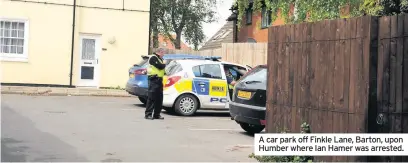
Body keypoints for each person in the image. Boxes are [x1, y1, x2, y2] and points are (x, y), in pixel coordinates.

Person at [145, 48, 166, 120]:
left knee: (159, 98)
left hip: (159, 80)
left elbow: (162, 69)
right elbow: (160, 66)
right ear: (159, 52)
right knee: (152, 98)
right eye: (163, 52)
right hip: (153, 79)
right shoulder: (153, 58)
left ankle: (157, 114)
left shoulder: (160, 59)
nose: (164, 54)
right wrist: (164, 64)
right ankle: (148, 114)